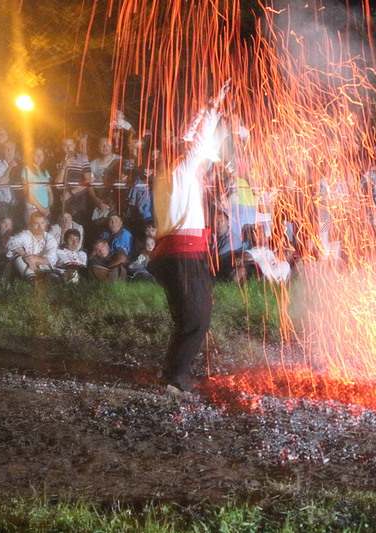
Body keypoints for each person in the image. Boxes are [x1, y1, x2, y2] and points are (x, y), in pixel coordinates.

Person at [148, 79, 230, 396]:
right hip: (182, 256)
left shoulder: (166, 175)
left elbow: (188, 139)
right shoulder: (180, 172)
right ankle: (175, 379)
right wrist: (212, 106)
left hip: (174, 256)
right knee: (195, 319)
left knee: (192, 316)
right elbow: (195, 143)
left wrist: (204, 107)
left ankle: (175, 371)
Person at [5, 211, 59, 282]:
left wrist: (34, 259)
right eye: (36, 223)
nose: (40, 227)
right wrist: (25, 255)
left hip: (43, 268)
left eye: (42, 223)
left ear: (46, 223)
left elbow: (51, 259)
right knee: (17, 257)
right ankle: (32, 279)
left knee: (54, 276)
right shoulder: (26, 234)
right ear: (30, 225)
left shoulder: (50, 239)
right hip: (25, 267)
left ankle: (46, 278)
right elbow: (11, 242)